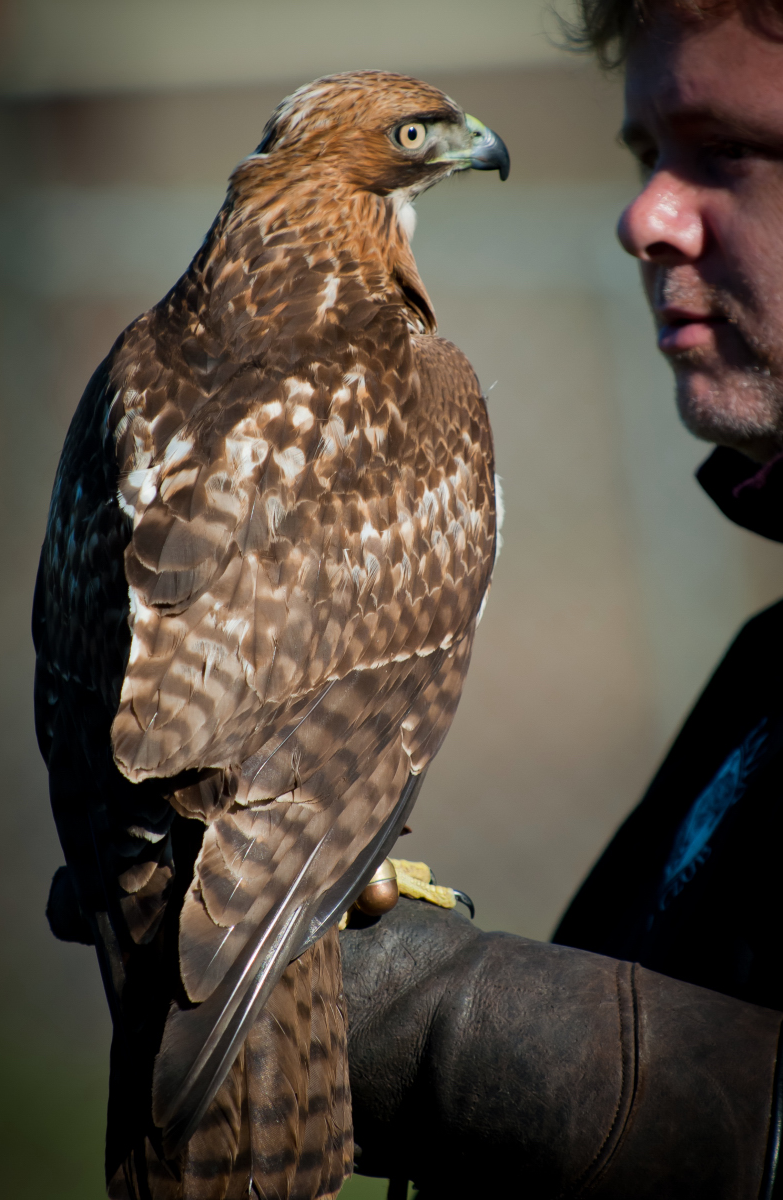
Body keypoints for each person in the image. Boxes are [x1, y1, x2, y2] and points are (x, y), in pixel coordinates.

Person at [339, 3, 783, 1196]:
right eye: (647, 154)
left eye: (731, 151)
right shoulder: (767, 670)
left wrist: (456, 1036)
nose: (644, 216)